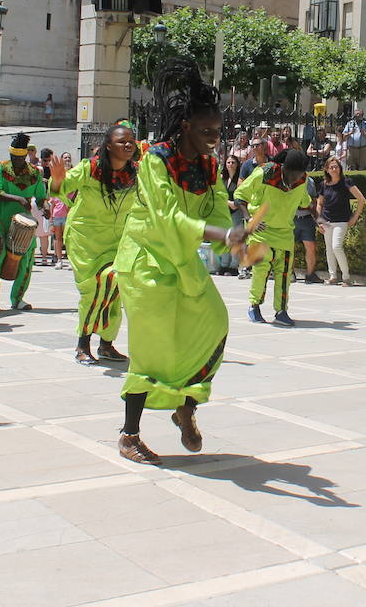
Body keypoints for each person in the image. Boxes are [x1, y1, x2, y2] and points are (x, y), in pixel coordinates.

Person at [113, 59, 248, 465]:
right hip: (144, 261)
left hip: (180, 261)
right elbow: (166, 216)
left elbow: (217, 210)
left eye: (218, 132)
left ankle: (186, 405)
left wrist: (232, 234)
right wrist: (219, 235)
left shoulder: (207, 166)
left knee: (213, 325)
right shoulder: (155, 159)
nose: (213, 139)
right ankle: (129, 434)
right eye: (207, 131)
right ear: (185, 125)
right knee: (152, 348)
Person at [61, 122, 138, 364]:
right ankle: (82, 344)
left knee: (115, 288)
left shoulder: (137, 172)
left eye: (130, 141)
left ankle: (106, 344)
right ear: (108, 146)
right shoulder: (89, 169)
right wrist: (56, 181)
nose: (128, 144)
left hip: (118, 240)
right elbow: (59, 188)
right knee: (92, 290)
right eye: (121, 141)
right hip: (85, 240)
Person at [235, 148, 311, 325]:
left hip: (284, 233)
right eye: (291, 174)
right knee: (260, 271)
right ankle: (254, 306)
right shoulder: (265, 172)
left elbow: (305, 201)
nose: (293, 180)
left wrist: (316, 213)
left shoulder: (302, 180)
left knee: (283, 274)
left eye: (298, 175)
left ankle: (281, 311)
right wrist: (249, 218)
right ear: (283, 167)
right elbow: (240, 195)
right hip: (260, 232)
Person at [0, 133, 48, 311]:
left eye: (20, 157)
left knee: (26, 261)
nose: (16, 160)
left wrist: (45, 208)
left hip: (24, 224)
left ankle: (18, 298)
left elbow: (41, 197)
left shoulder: (34, 173)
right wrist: (18, 199)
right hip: (1, 221)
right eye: (14, 157)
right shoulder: (1, 169)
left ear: (25, 156)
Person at [317, 157, 366, 285]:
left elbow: (361, 199)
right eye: (331, 167)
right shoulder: (323, 184)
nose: (334, 169)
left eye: (336, 167)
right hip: (326, 221)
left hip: (341, 221)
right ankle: (333, 276)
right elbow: (319, 203)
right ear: (326, 169)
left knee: (336, 247)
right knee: (329, 249)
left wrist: (354, 218)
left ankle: (346, 277)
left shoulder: (346, 182)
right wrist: (319, 221)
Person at [294, 173, 322, 283]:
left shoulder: (309, 181)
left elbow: (314, 200)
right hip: (292, 217)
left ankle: (310, 274)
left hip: (307, 218)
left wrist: (317, 218)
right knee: (290, 247)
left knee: (310, 247)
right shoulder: (288, 179)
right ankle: (290, 273)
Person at [218, 155, 244, 276]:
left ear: (237, 164)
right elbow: (218, 194)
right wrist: (227, 202)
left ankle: (233, 266)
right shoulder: (222, 178)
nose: (230, 164)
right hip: (224, 211)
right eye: (228, 162)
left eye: (233, 162)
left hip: (236, 211)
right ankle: (224, 264)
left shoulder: (240, 179)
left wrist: (229, 203)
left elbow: (239, 198)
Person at [48, 151, 73, 268]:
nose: (67, 159)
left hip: (70, 212)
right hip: (58, 212)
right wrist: (51, 216)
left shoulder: (74, 175)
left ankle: (72, 260)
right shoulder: (55, 176)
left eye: (69, 157)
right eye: (65, 157)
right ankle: (59, 260)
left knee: (70, 238)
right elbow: (52, 197)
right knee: (58, 237)